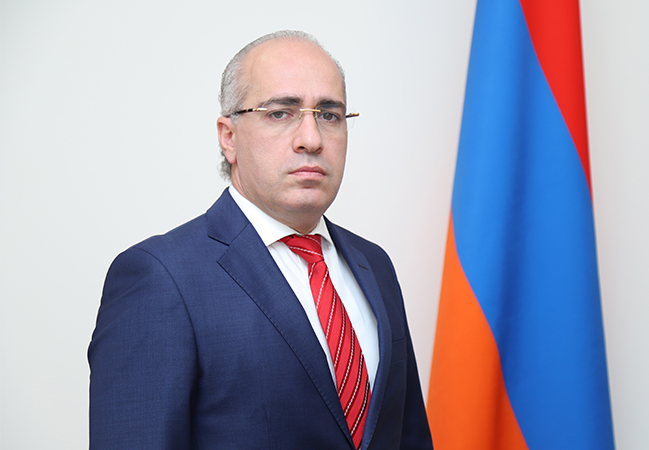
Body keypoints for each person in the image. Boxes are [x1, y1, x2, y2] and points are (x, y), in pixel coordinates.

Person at [88, 30, 433, 450]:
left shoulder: (374, 264)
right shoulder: (161, 277)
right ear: (228, 137)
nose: (311, 139)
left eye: (329, 115)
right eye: (280, 113)